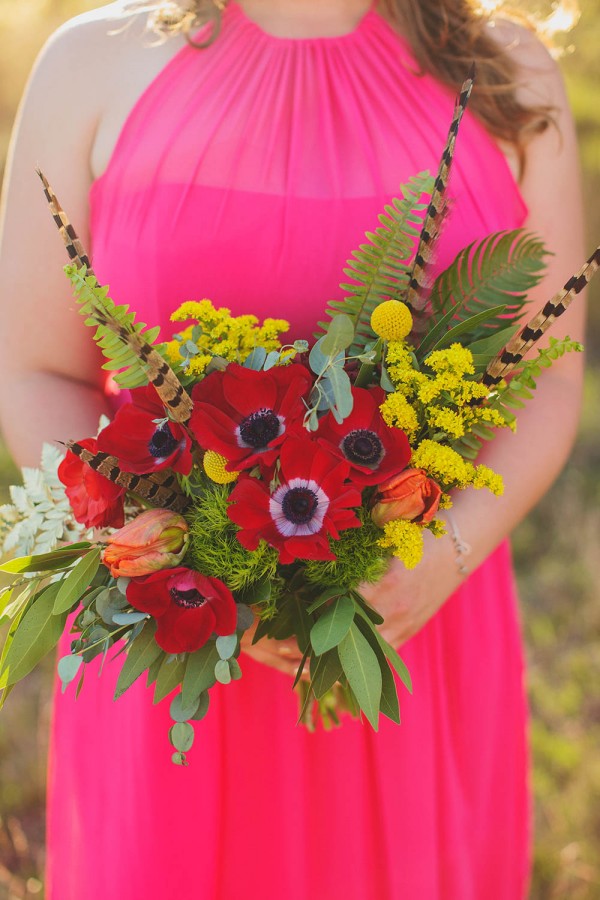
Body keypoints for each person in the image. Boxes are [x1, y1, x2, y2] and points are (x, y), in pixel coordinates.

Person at [0, 0, 585, 897]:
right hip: (183, 635)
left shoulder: (508, 72)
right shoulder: (92, 64)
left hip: (412, 624)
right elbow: (35, 369)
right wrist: (166, 547)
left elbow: (545, 377)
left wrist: (443, 553)